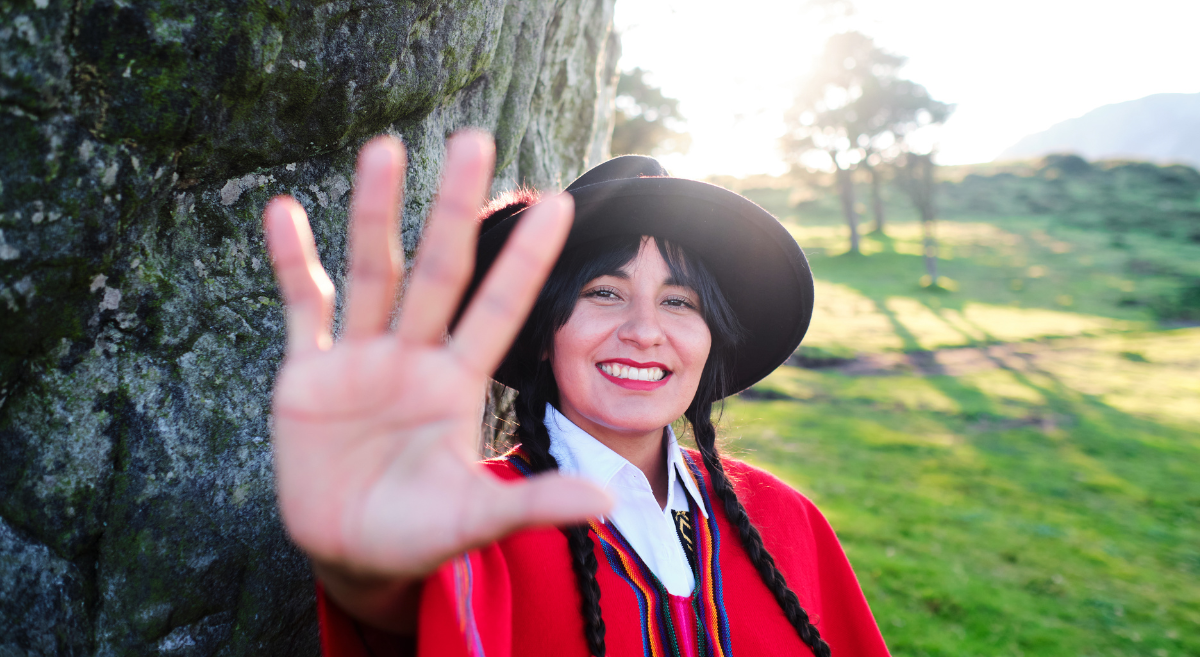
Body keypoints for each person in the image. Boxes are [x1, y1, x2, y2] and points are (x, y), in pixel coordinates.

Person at [264, 131, 890, 657]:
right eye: (603, 293)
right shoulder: (468, 517)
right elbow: (408, 610)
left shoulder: (788, 521)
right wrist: (368, 572)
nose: (645, 332)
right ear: (542, 335)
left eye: (679, 302)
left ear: (710, 341)